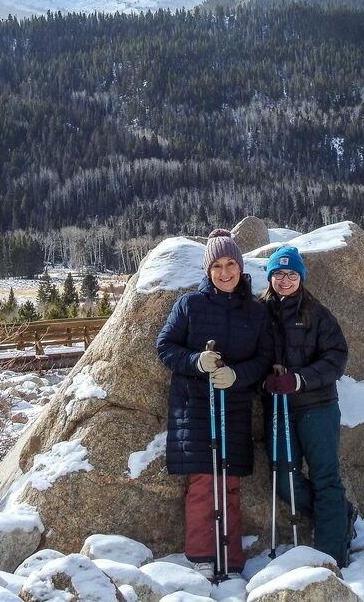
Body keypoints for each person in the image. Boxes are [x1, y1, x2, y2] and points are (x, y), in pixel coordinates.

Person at [156, 229, 273, 580]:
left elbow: (265, 358)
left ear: (240, 267)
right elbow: (166, 348)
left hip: (234, 407)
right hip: (195, 408)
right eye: (217, 266)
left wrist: (237, 375)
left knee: (230, 484)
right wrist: (196, 362)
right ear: (207, 271)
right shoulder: (190, 305)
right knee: (204, 484)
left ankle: (231, 558)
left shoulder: (255, 312)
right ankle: (203, 557)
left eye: (231, 264)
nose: (225, 272)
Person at [260, 245, 352, 568]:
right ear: (270, 276)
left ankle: (330, 563)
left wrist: (298, 380)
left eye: (291, 274)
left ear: (301, 277)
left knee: (326, 477)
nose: (285, 280)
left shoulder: (316, 313)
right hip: (278, 409)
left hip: (318, 407)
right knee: (284, 480)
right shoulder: (260, 312)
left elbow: (336, 359)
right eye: (279, 273)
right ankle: (340, 514)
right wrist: (264, 382)